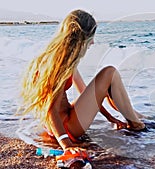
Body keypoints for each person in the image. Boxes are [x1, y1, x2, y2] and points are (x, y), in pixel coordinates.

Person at [19, 9, 145, 154]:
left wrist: (110, 118)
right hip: (66, 126)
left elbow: (87, 93)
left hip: (59, 124)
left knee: (107, 79)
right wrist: (66, 144)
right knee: (110, 72)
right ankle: (137, 124)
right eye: (91, 37)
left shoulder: (60, 57)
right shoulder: (59, 64)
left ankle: (135, 118)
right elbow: (50, 108)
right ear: (82, 37)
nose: (93, 42)